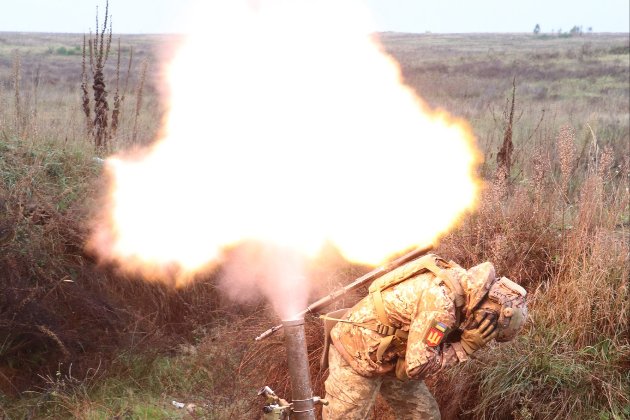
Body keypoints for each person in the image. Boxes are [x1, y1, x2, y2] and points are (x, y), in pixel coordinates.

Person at [321, 253, 527, 419]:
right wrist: (464, 348)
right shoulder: (441, 307)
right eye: (488, 326)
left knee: (423, 415)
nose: (482, 329)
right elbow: (418, 366)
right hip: (355, 350)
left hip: (395, 354)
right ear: (488, 312)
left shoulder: (462, 283)